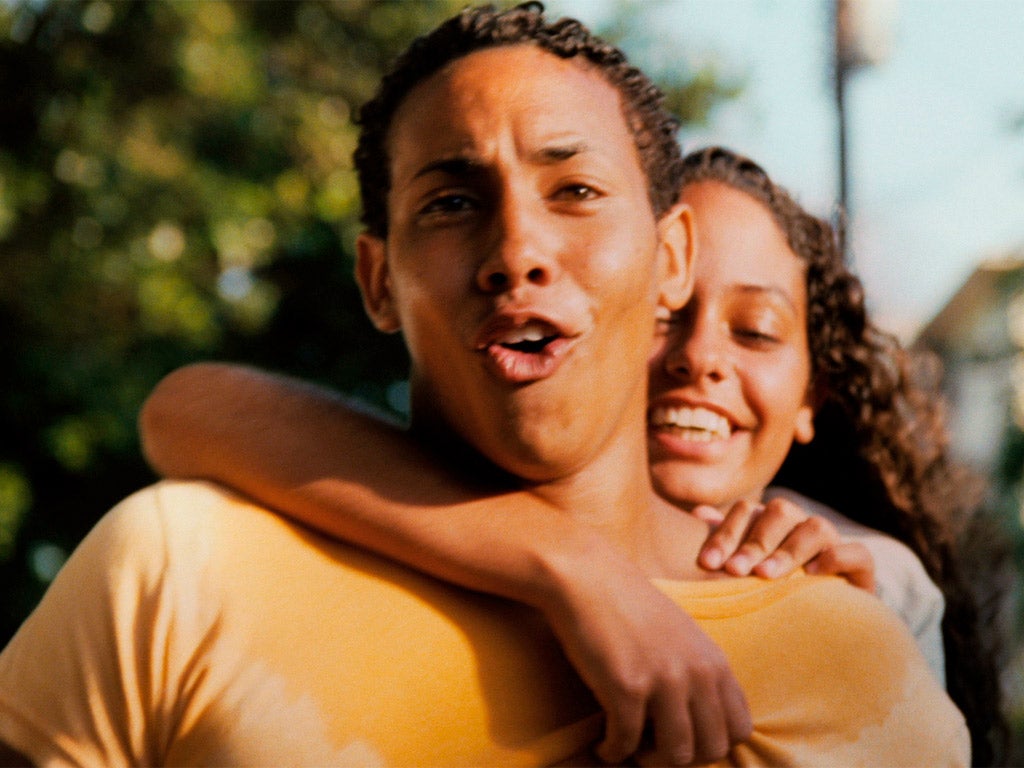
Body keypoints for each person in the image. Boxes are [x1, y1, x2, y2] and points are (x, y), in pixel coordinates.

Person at [0, 4, 969, 766]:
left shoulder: (857, 656)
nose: (516, 251)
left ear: (668, 257)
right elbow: (190, 404)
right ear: (377, 281)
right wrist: (576, 571)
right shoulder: (175, 571)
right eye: (453, 202)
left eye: (575, 191)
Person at [139, 137, 1004, 763]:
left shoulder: (868, 583)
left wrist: (846, 649)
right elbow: (190, 406)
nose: (703, 356)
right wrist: (572, 564)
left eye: (757, 330)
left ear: (812, 397)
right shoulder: (439, 490)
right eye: (667, 314)